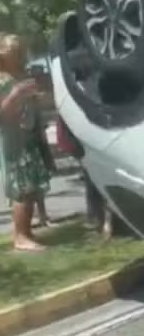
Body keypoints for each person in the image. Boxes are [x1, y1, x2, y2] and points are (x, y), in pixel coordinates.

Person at [0, 33, 52, 251]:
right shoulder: (3, 80)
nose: (21, 56)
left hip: (29, 137)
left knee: (31, 189)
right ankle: (20, 237)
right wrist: (16, 94)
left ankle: (27, 233)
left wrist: (35, 98)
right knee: (22, 189)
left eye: (22, 52)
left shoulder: (20, 75)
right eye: (16, 53)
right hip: (15, 142)